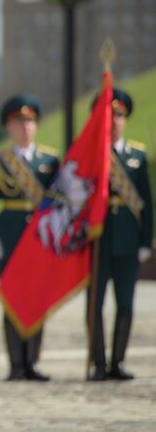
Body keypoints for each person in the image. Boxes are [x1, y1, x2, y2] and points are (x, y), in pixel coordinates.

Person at [0, 95, 59, 381]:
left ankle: (33, 361)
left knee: (37, 300)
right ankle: (15, 362)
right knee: (13, 299)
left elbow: (58, 201)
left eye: (29, 121)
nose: (24, 127)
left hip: (40, 238)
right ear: (8, 127)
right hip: (10, 237)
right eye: (18, 122)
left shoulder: (50, 162)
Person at [88, 88, 153, 381]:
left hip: (127, 241)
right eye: (109, 115)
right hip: (98, 240)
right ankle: (98, 363)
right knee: (95, 304)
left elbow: (146, 202)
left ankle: (118, 361)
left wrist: (144, 240)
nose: (114, 121)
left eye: (119, 115)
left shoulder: (137, 156)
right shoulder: (91, 154)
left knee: (125, 303)